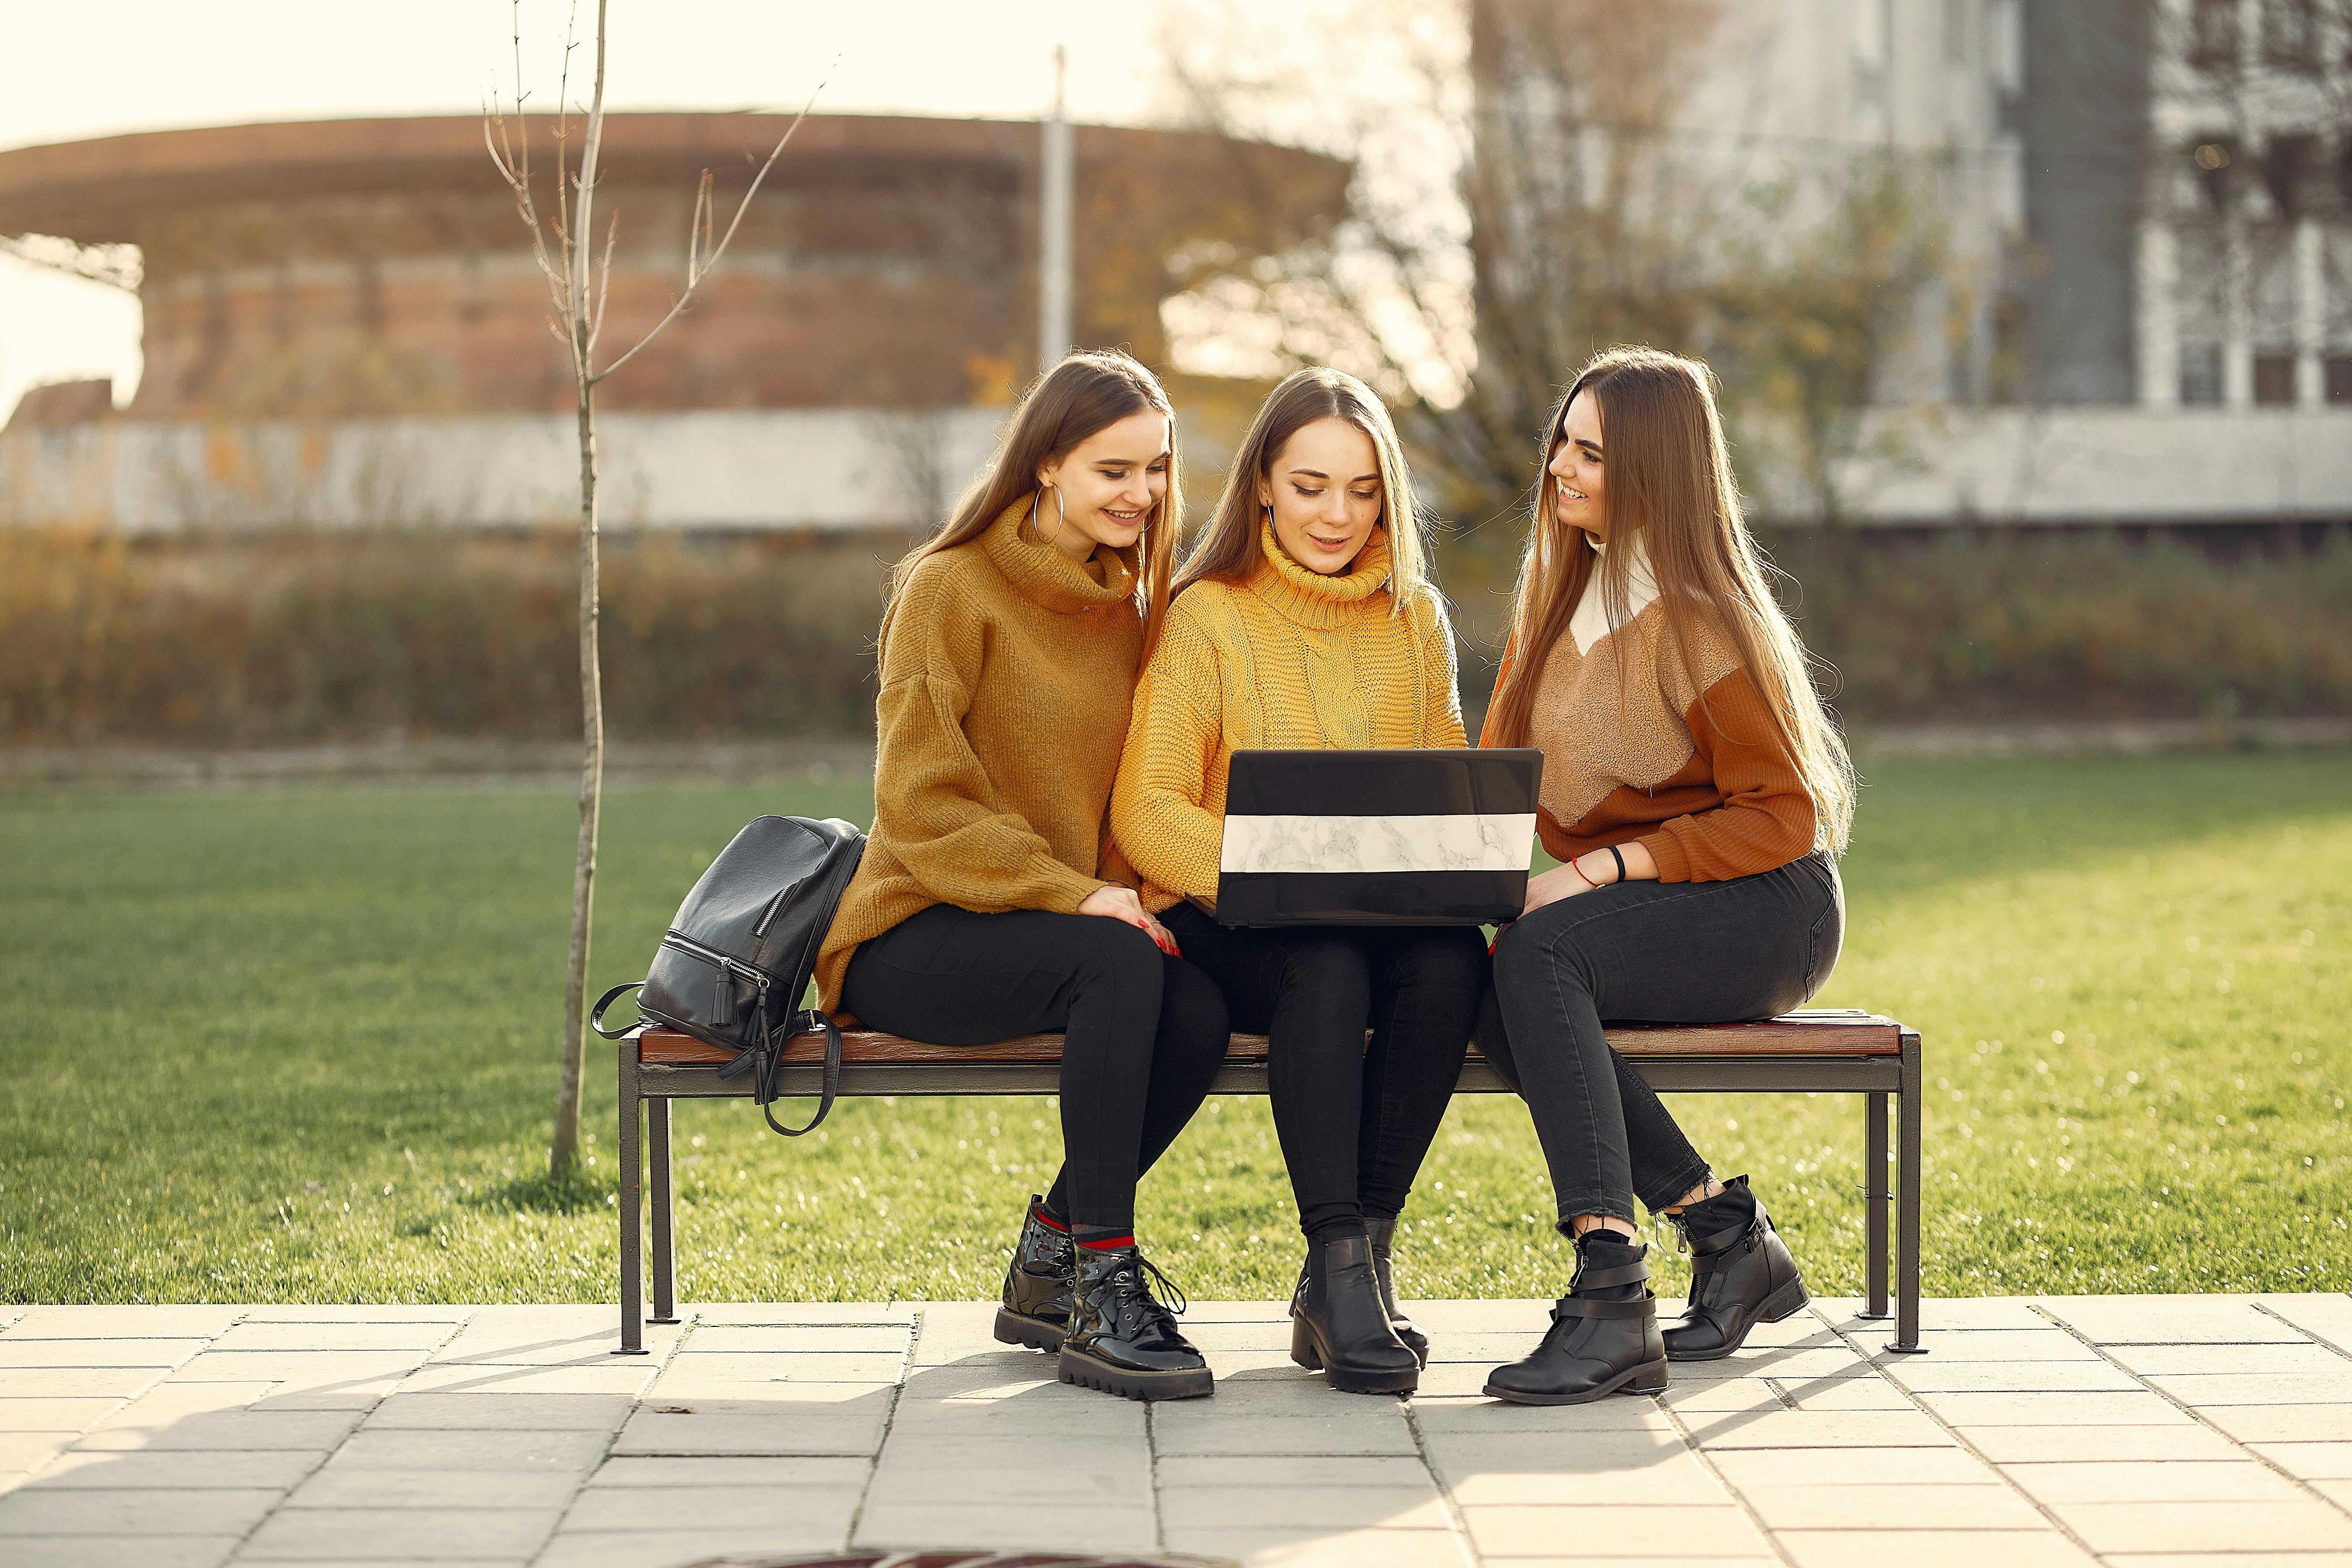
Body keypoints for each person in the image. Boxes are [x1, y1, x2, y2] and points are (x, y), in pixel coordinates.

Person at [812, 351, 1229, 1403]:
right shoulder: (946, 588)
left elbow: (1135, 788)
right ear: (1045, 464)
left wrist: (1135, 885)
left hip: (1062, 928)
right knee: (1117, 965)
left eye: (1156, 469)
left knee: (1197, 1012)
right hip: (916, 927)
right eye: (1113, 469)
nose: (1141, 492)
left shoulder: (1134, 606)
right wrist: (1078, 892)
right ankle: (1102, 1286)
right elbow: (924, 801)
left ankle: (1050, 1256)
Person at [1472, 345, 1855, 1405]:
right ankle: (1726, 1236)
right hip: (1646, 898)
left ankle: (1610, 1296)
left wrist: (1599, 867)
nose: (1559, 466)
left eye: (1589, 452)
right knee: (1488, 974)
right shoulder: (1555, 609)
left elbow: (1784, 814)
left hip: (1769, 902)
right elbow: (1509, 800)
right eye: (1563, 441)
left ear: (1653, 469)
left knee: (1540, 953)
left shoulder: (1702, 616)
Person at [1110, 368, 1486, 1397]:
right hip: (1242, 914)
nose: (1337, 512)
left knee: (1453, 961)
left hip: (1382, 911)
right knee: (1323, 965)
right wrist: (1276, 869)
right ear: (1264, 486)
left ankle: (1358, 1260)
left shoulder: (1416, 619)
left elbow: (1445, 790)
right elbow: (1146, 813)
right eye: (1312, 484)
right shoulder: (1210, 617)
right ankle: (1336, 1260)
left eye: (1363, 490)